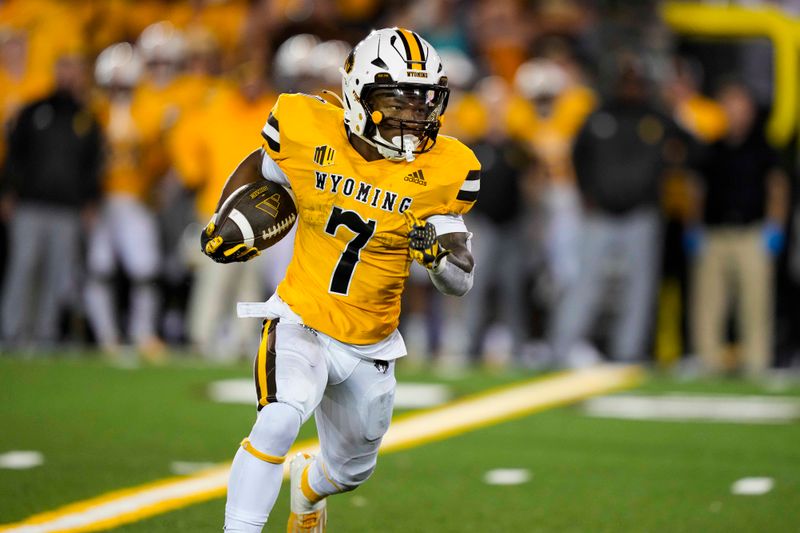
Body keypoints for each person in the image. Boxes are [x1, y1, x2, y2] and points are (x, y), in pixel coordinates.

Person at [203, 28, 480, 532]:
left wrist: (437, 260)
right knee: (280, 418)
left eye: (423, 102)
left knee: (350, 471)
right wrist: (226, 216)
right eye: (397, 100)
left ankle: (308, 487)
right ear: (358, 95)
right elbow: (263, 167)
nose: (413, 116)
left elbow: (460, 278)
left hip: (370, 342)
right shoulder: (307, 127)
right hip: (301, 317)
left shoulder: (446, 168)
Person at [0, 52, 103, 349]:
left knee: (56, 274)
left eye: (74, 70)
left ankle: (44, 335)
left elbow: (92, 165)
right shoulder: (33, 111)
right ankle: (12, 331)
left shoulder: (87, 119)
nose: (68, 76)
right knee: (23, 267)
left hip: (68, 209)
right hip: (30, 204)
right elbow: (14, 155)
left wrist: (90, 201)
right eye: (64, 69)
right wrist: (8, 192)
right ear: (56, 72)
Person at [688, 80, 789, 376]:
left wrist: (774, 228)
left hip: (751, 233)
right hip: (713, 233)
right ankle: (707, 361)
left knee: (755, 305)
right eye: (728, 106)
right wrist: (693, 228)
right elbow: (697, 189)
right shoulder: (711, 147)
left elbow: (777, 188)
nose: (734, 113)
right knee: (708, 305)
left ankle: (757, 364)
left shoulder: (764, 147)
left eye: (740, 106)